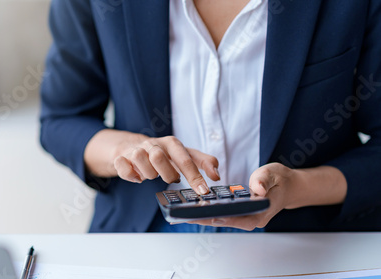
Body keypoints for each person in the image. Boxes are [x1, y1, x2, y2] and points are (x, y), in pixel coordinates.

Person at [40, 0, 381, 233]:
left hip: (308, 238)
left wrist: (299, 188)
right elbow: (62, 119)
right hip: (144, 234)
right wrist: (128, 150)